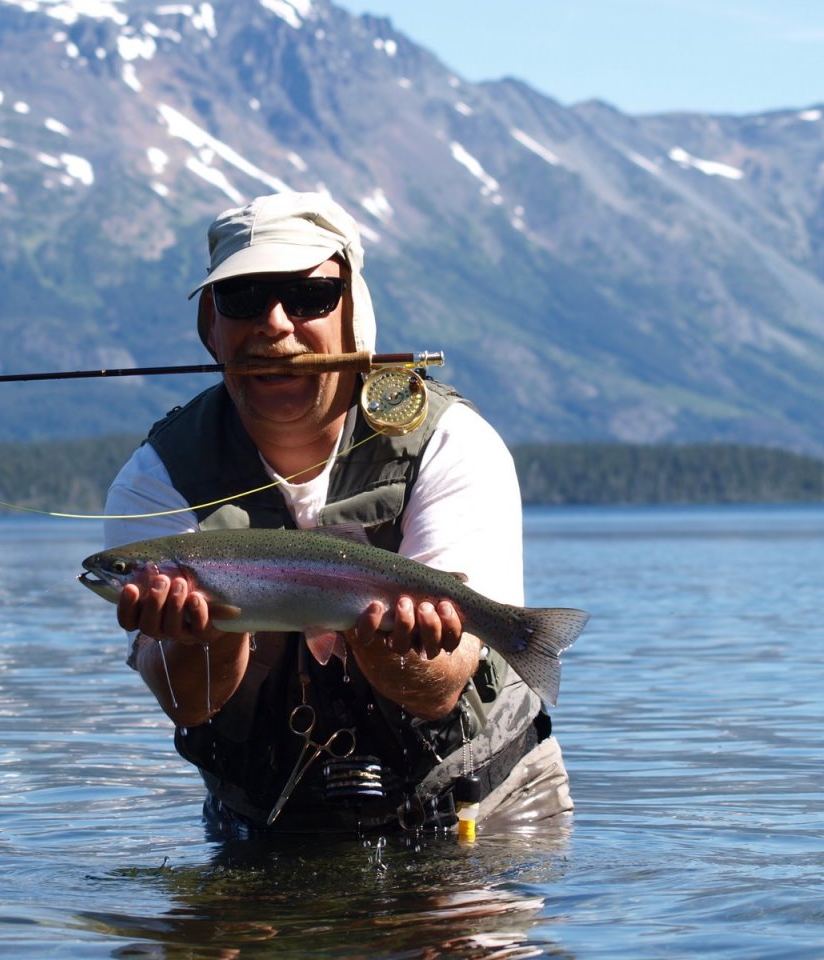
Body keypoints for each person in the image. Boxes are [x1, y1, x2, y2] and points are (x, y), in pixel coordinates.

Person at [102, 191, 572, 836]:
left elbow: (438, 690)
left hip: (481, 811)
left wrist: (387, 642)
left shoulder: (452, 442)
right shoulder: (157, 477)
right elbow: (189, 705)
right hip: (269, 825)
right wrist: (197, 635)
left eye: (308, 298)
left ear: (355, 314)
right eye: (244, 298)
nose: (274, 323)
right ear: (210, 325)